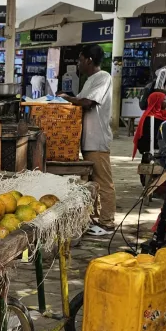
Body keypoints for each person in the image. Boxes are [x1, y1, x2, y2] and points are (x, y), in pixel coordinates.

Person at [57, 44, 115, 235]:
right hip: (88, 139)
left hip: (97, 139)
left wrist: (66, 98)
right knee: (94, 182)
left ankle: (107, 222)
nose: (78, 64)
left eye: (80, 60)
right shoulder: (91, 80)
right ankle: (97, 218)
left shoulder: (103, 77)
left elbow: (87, 102)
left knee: (103, 181)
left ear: (89, 60)